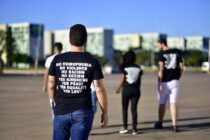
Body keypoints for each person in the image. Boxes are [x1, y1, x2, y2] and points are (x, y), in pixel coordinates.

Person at [48, 24, 108, 140]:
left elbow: (51, 85)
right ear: (86, 40)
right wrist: (104, 112)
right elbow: (99, 89)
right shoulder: (92, 61)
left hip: (61, 110)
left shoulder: (57, 59)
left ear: (69, 40)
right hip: (83, 111)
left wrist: (57, 101)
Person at [154, 39, 184, 132]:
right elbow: (181, 67)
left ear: (162, 44)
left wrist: (159, 82)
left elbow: (161, 69)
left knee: (162, 103)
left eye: (158, 45)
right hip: (175, 81)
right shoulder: (177, 52)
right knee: (173, 103)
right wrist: (178, 76)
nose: (158, 47)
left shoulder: (161, 54)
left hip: (164, 82)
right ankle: (174, 125)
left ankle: (160, 122)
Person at [116, 50, 143, 135]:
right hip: (136, 90)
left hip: (126, 90)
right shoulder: (138, 68)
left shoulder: (125, 67)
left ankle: (125, 127)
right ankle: (135, 129)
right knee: (134, 109)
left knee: (125, 109)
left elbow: (122, 79)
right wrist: (137, 88)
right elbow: (140, 81)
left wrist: (118, 89)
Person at [42, 42, 63, 118]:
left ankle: (55, 120)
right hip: (63, 86)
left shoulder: (49, 59)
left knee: (53, 105)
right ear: (61, 49)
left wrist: (44, 85)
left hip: (52, 85)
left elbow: (46, 74)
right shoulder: (65, 58)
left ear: (54, 49)